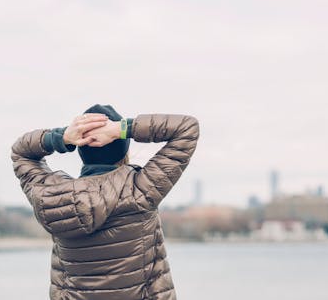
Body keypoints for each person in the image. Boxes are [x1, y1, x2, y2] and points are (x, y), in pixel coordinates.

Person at [10, 104, 200, 300]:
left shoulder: (52, 198)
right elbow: (186, 128)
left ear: (81, 149)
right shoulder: (140, 190)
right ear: (122, 148)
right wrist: (122, 129)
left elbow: (21, 152)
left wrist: (62, 137)